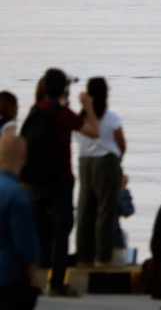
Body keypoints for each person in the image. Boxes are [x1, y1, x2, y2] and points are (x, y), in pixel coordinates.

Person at [21, 67, 99, 296]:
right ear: (63, 89)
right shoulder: (64, 114)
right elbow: (94, 131)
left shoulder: (35, 111)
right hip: (60, 182)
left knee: (37, 233)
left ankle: (33, 283)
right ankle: (56, 284)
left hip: (35, 182)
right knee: (61, 232)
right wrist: (88, 106)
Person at [74, 76, 126, 267]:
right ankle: (102, 256)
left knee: (85, 209)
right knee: (106, 211)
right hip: (107, 161)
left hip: (84, 162)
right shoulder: (111, 117)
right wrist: (119, 162)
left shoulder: (80, 118)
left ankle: (83, 256)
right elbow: (121, 143)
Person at [0, 130, 39, 309]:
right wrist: (33, 274)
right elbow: (25, 244)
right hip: (9, 279)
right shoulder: (18, 195)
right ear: (23, 157)